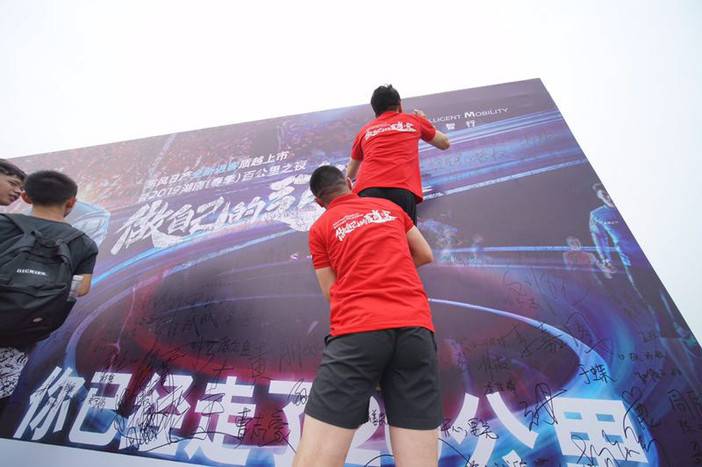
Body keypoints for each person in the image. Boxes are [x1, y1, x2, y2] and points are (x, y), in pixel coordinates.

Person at [293, 166, 440, 467]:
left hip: (358, 333)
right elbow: (425, 254)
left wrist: (360, 278)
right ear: (349, 183)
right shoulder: (390, 208)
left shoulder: (321, 227)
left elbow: (331, 292)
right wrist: (390, 270)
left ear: (319, 202)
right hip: (415, 331)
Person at [0, 170, 99, 414]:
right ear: (71, 202)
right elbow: (81, 288)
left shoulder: (3, 224)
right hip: (20, 335)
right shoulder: (82, 242)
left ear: (26, 197)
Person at [346, 84, 450, 224]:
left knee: (374, 236)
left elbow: (350, 174)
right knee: (403, 236)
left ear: (375, 109)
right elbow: (444, 143)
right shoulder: (413, 120)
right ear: (400, 105)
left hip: (367, 191)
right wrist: (425, 121)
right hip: (400, 189)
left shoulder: (364, 131)